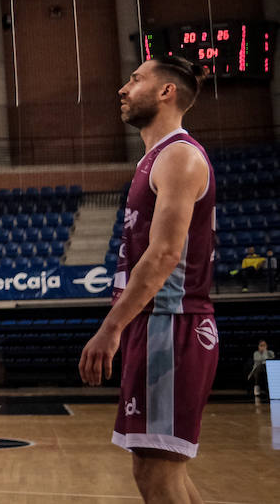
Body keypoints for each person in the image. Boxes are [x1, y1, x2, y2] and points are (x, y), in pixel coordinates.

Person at [80, 56, 219, 503]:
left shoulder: (179, 155)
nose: (123, 88)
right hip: (157, 326)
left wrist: (110, 328)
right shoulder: (154, 159)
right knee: (164, 474)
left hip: (172, 326)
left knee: (157, 477)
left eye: (136, 79)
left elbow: (163, 256)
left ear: (166, 92)